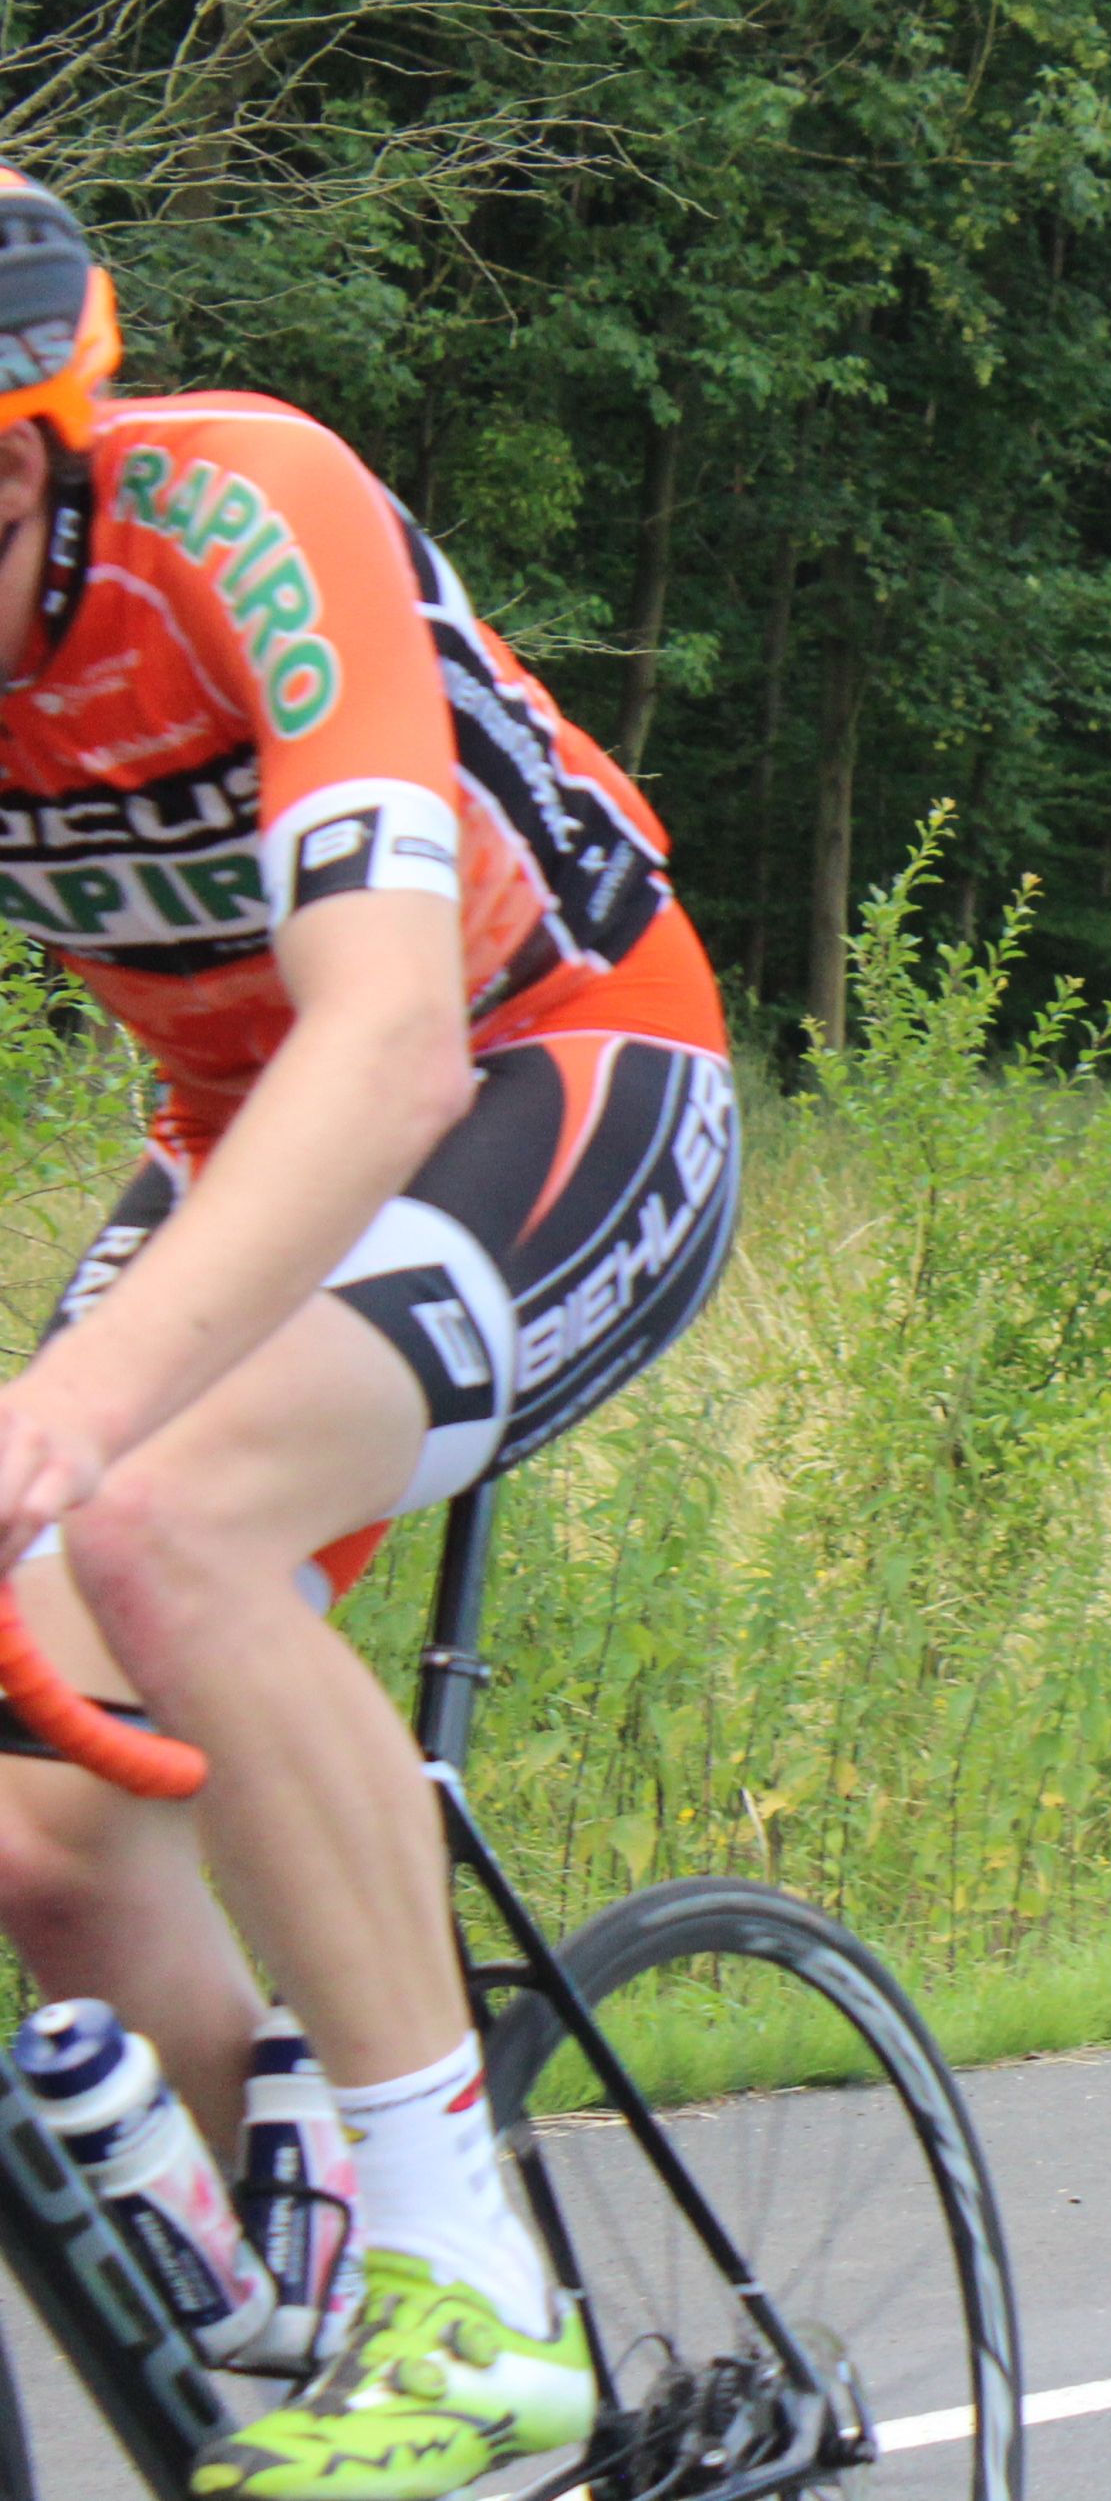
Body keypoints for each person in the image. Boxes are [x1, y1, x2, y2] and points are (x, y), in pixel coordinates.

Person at [0, 167, 741, 2496]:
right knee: (40, 1825)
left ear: (34, 451)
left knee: (162, 1520)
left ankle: (473, 2284)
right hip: (246, 1138)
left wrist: (59, 1416)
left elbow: (395, 1037)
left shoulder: (239, 508)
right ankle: (315, 2247)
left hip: (560, 1064)